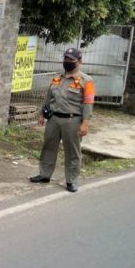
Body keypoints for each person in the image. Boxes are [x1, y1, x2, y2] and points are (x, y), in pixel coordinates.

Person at [30, 47, 95, 192]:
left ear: (79, 61)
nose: (67, 62)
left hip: (72, 121)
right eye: (66, 59)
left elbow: (88, 103)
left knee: (72, 151)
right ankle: (44, 174)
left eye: (71, 59)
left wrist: (85, 123)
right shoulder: (57, 78)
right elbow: (48, 98)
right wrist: (41, 113)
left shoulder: (87, 81)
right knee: (48, 147)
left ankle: (71, 180)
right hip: (53, 119)